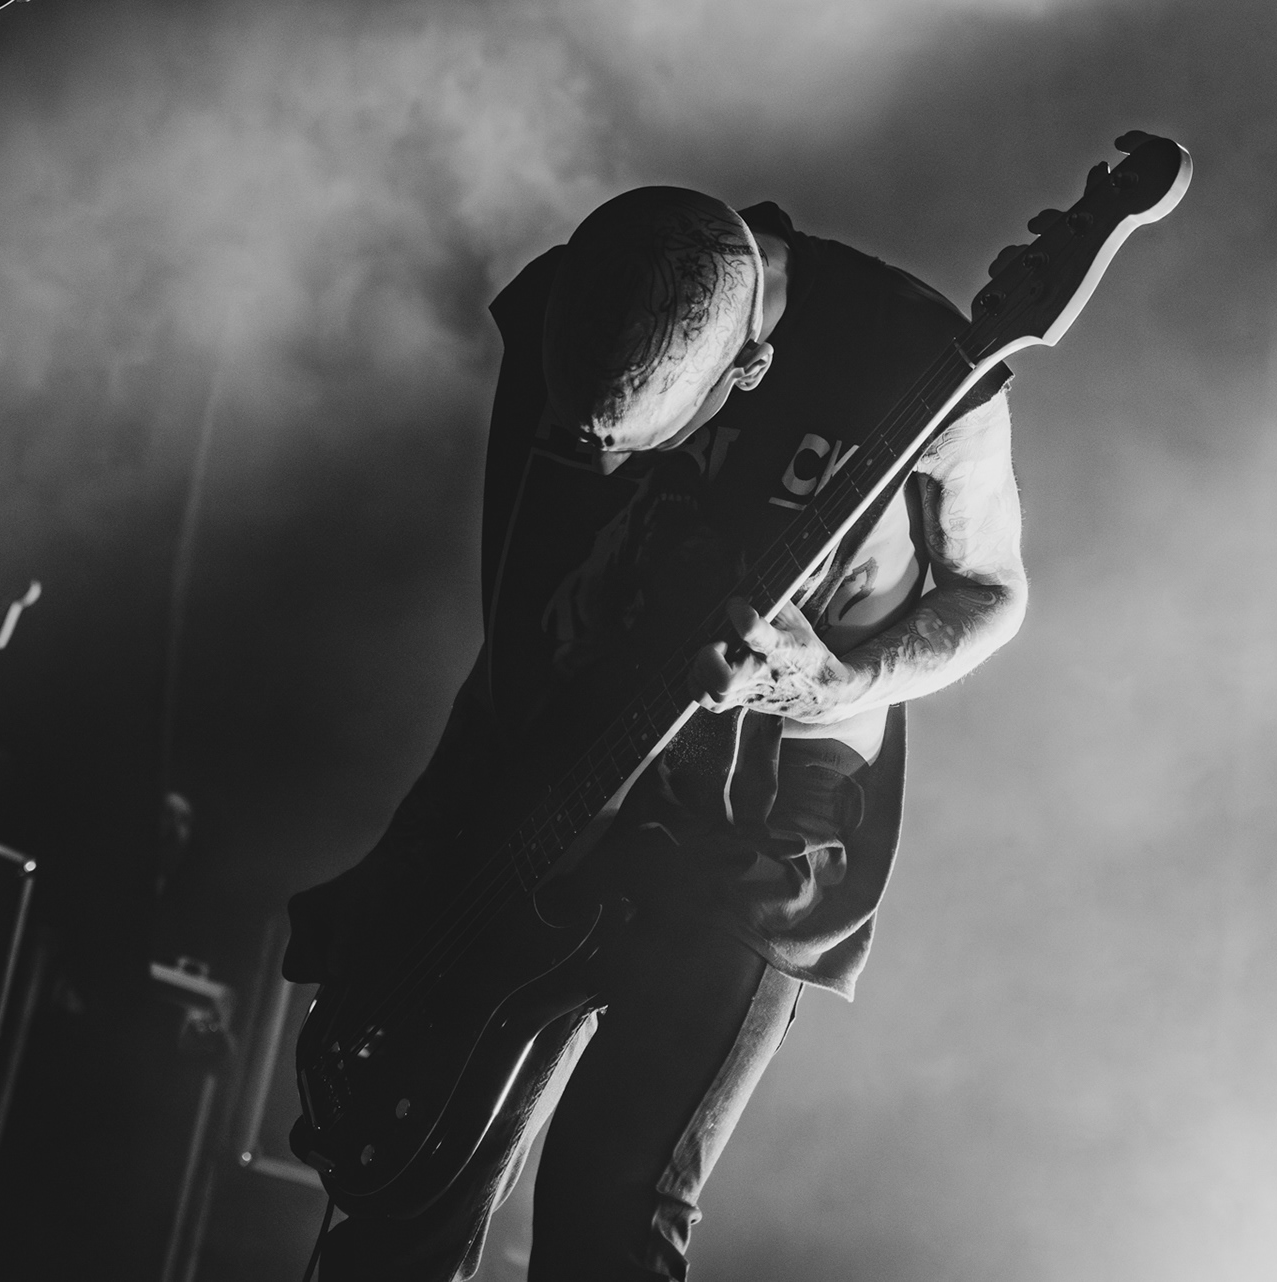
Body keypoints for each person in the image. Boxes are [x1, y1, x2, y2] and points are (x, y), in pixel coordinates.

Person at [285, 186, 1027, 1280]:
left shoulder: (920, 362)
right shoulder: (574, 302)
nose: (603, 465)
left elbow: (991, 593)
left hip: (758, 836)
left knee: (610, 1221)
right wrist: (417, 851)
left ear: (747, 371)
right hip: (554, 793)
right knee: (405, 1197)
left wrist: (833, 680)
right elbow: (524, 625)